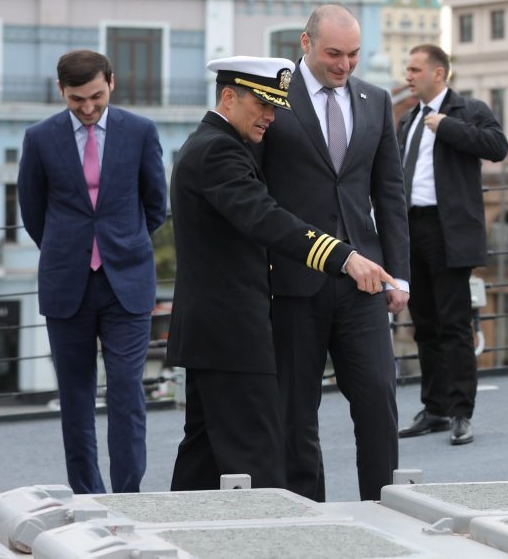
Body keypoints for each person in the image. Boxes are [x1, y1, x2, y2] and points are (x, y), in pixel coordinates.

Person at [167, 56, 395, 491]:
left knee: (204, 457)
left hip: (213, 333)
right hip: (230, 333)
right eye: (263, 105)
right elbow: (266, 218)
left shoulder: (215, 143)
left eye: (276, 106)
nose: (271, 117)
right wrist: (342, 256)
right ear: (229, 97)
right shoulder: (218, 151)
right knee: (259, 461)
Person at [258, 5, 410, 501]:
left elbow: (390, 194)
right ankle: (308, 517)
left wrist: (400, 277)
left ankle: (385, 507)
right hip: (293, 282)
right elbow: (256, 194)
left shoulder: (375, 99)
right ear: (305, 44)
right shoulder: (273, 97)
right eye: (333, 54)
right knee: (295, 412)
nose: (344, 65)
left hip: (363, 282)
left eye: (353, 54)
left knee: (378, 402)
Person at [17, 49, 167, 494]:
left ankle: (127, 497)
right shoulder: (39, 138)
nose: (87, 108)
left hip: (128, 283)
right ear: (60, 91)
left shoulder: (140, 132)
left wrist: (120, 242)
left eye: (96, 96)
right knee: (76, 399)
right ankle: (88, 495)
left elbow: (155, 205)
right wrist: (71, 250)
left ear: (112, 84)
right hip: (67, 284)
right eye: (76, 99)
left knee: (126, 393)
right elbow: (32, 211)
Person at [396, 44, 508, 445]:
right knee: (423, 325)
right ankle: (436, 409)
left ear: (439, 74)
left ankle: (461, 412)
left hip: (448, 230)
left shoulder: (467, 110)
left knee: (454, 325)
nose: (407, 76)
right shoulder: (408, 120)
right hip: (412, 228)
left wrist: (446, 127)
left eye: (414, 69)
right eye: (407, 69)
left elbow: (498, 147)